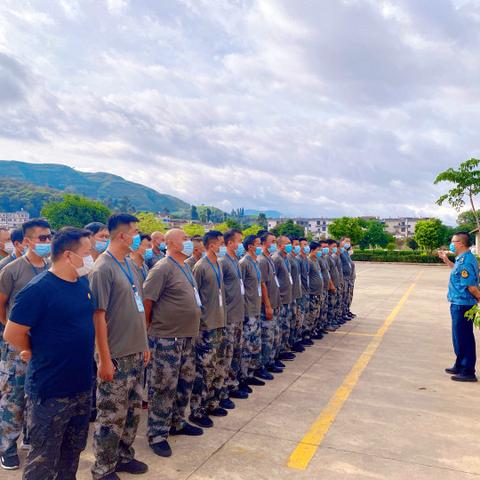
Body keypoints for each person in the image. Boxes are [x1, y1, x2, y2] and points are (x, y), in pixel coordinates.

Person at [3, 227, 95, 479]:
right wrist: (32, 350)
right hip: (50, 390)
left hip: (81, 385)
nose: (90, 258)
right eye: (86, 253)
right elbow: (12, 333)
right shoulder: (38, 290)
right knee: (43, 460)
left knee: (72, 452)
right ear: (68, 255)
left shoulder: (81, 283)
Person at [89, 213, 149, 480]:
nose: (138, 236)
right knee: (111, 415)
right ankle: (103, 467)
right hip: (115, 354)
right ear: (122, 235)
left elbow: (137, 308)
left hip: (135, 351)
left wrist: (145, 344)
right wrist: (104, 358)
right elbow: (98, 316)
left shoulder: (130, 265)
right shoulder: (102, 268)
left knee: (133, 412)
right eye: (135, 231)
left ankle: (124, 456)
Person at [143, 228, 203, 458]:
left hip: (187, 336)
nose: (188, 242)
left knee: (184, 381)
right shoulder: (162, 268)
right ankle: (157, 434)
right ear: (169, 243)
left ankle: (177, 421)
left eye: (189, 239)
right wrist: (149, 333)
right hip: (167, 338)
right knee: (163, 386)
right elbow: (148, 302)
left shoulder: (185, 266)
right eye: (184, 239)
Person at [0, 218, 52, 470]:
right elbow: (1, 304)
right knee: (14, 395)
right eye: (42, 238)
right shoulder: (12, 270)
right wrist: (13, 331)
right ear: (28, 241)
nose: (47, 242)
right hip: (17, 347)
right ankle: (7, 446)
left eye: (49, 237)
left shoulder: (51, 268)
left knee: (36, 393)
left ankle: (30, 438)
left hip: (43, 344)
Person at [190, 231, 228, 427]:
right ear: (212, 245)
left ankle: (212, 402)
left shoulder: (217, 264)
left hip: (219, 322)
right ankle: (197, 409)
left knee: (216, 365)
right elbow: (195, 298)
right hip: (206, 326)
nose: (222, 246)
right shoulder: (201, 267)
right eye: (220, 243)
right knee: (203, 369)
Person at [439, 232, 480, 382]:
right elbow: (456, 271)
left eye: (453, 242)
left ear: (460, 243)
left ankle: (468, 371)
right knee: (458, 337)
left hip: (463, 305)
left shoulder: (465, 262)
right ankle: (460, 364)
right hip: (459, 303)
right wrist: (446, 260)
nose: (451, 244)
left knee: (464, 338)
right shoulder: (462, 259)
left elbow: (471, 287)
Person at [218, 229, 247, 404]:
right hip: (228, 316)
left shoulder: (235, 260)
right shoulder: (223, 262)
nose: (240, 244)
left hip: (238, 315)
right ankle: (223, 391)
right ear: (230, 243)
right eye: (239, 241)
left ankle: (232, 384)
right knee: (225, 356)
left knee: (236, 352)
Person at [239, 234, 264, 391]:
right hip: (248, 311)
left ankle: (251, 373)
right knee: (247, 346)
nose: (260, 246)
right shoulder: (244, 263)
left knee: (254, 344)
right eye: (258, 244)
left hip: (256, 308)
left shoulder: (255, 262)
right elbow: (240, 289)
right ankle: (243, 377)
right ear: (250, 247)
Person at [257, 232, 281, 377]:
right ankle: (263, 365)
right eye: (272, 241)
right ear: (264, 243)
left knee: (273, 335)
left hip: (274, 301)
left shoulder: (269, 259)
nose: (274, 244)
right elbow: (262, 284)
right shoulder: (262, 260)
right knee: (266, 337)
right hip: (267, 304)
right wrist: (267, 305)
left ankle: (270, 361)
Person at [272, 236, 295, 362]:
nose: (290, 245)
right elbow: (272, 280)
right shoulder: (276, 258)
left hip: (288, 297)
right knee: (280, 327)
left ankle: (284, 349)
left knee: (286, 326)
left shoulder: (285, 258)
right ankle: (278, 353)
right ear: (280, 245)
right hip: (281, 299)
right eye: (287, 243)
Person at [288, 237, 305, 353]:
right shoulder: (288, 259)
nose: (297, 246)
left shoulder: (294, 258)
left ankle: (295, 340)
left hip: (298, 293)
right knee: (292, 320)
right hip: (291, 294)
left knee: (297, 318)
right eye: (295, 244)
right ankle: (291, 343)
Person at [306, 242, 324, 340]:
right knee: (311, 314)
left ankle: (314, 331)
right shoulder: (309, 261)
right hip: (312, 292)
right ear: (312, 251)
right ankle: (308, 333)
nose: (320, 252)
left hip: (318, 292)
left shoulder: (316, 260)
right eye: (318, 250)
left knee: (316, 313)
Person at [298, 238, 312, 346]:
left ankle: (305, 334)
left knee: (305, 315)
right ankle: (299, 338)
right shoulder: (298, 259)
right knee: (300, 316)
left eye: (307, 244)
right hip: (300, 292)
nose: (307, 246)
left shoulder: (306, 259)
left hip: (306, 290)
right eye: (304, 244)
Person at [340, 237, 356, 318]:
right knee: (344, 297)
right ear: (341, 242)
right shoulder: (341, 252)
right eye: (346, 241)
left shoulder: (346, 252)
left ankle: (346, 311)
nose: (348, 243)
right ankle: (343, 313)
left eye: (349, 241)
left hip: (349, 279)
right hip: (344, 278)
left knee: (348, 296)